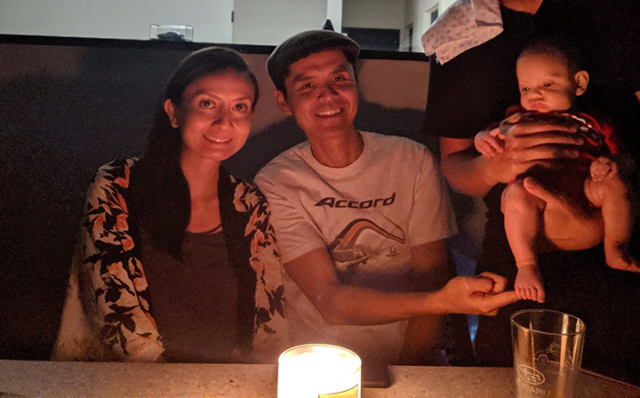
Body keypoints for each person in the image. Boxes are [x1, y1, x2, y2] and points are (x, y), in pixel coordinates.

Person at [421, 0, 640, 384]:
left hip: (623, 247)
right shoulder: (459, 32)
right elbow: (455, 165)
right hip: (522, 263)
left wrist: (615, 171)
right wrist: (496, 165)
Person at [255, 30, 518, 369]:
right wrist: (441, 301)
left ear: (355, 86)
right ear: (283, 102)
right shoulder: (277, 182)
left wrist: (410, 364)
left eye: (339, 79)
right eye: (307, 86)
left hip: (412, 353)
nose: (328, 95)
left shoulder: (411, 159)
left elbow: (430, 273)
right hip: (319, 359)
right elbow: (330, 301)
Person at [52, 47, 287, 363]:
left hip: (232, 379)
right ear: (173, 112)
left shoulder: (249, 202)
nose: (224, 122)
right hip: (135, 379)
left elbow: (270, 316)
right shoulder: (118, 183)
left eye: (239, 107)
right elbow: (114, 307)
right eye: (207, 103)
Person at [474, 40, 639, 303]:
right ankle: (526, 264)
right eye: (526, 88)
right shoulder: (519, 117)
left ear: (579, 83)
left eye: (547, 85)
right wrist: (482, 138)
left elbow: (626, 159)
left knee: (615, 184)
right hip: (535, 189)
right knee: (517, 194)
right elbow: (493, 133)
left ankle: (616, 246)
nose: (534, 95)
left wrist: (611, 164)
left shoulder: (594, 122)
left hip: (584, 187)